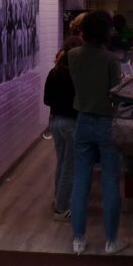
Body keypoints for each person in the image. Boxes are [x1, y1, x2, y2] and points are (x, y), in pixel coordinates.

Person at [67, 10, 126, 255]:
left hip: (82, 120)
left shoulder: (73, 55)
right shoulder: (111, 59)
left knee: (80, 179)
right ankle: (111, 241)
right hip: (106, 122)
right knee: (110, 180)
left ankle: (78, 240)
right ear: (106, 31)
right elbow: (117, 95)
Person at [43, 35, 82, 221]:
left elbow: (46, 100)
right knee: (70, 166)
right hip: (71, 123)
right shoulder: (77, 74)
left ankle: (57, 197)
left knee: (61, 162)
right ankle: (61, 208)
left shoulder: (54, 72)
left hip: (54, 122)